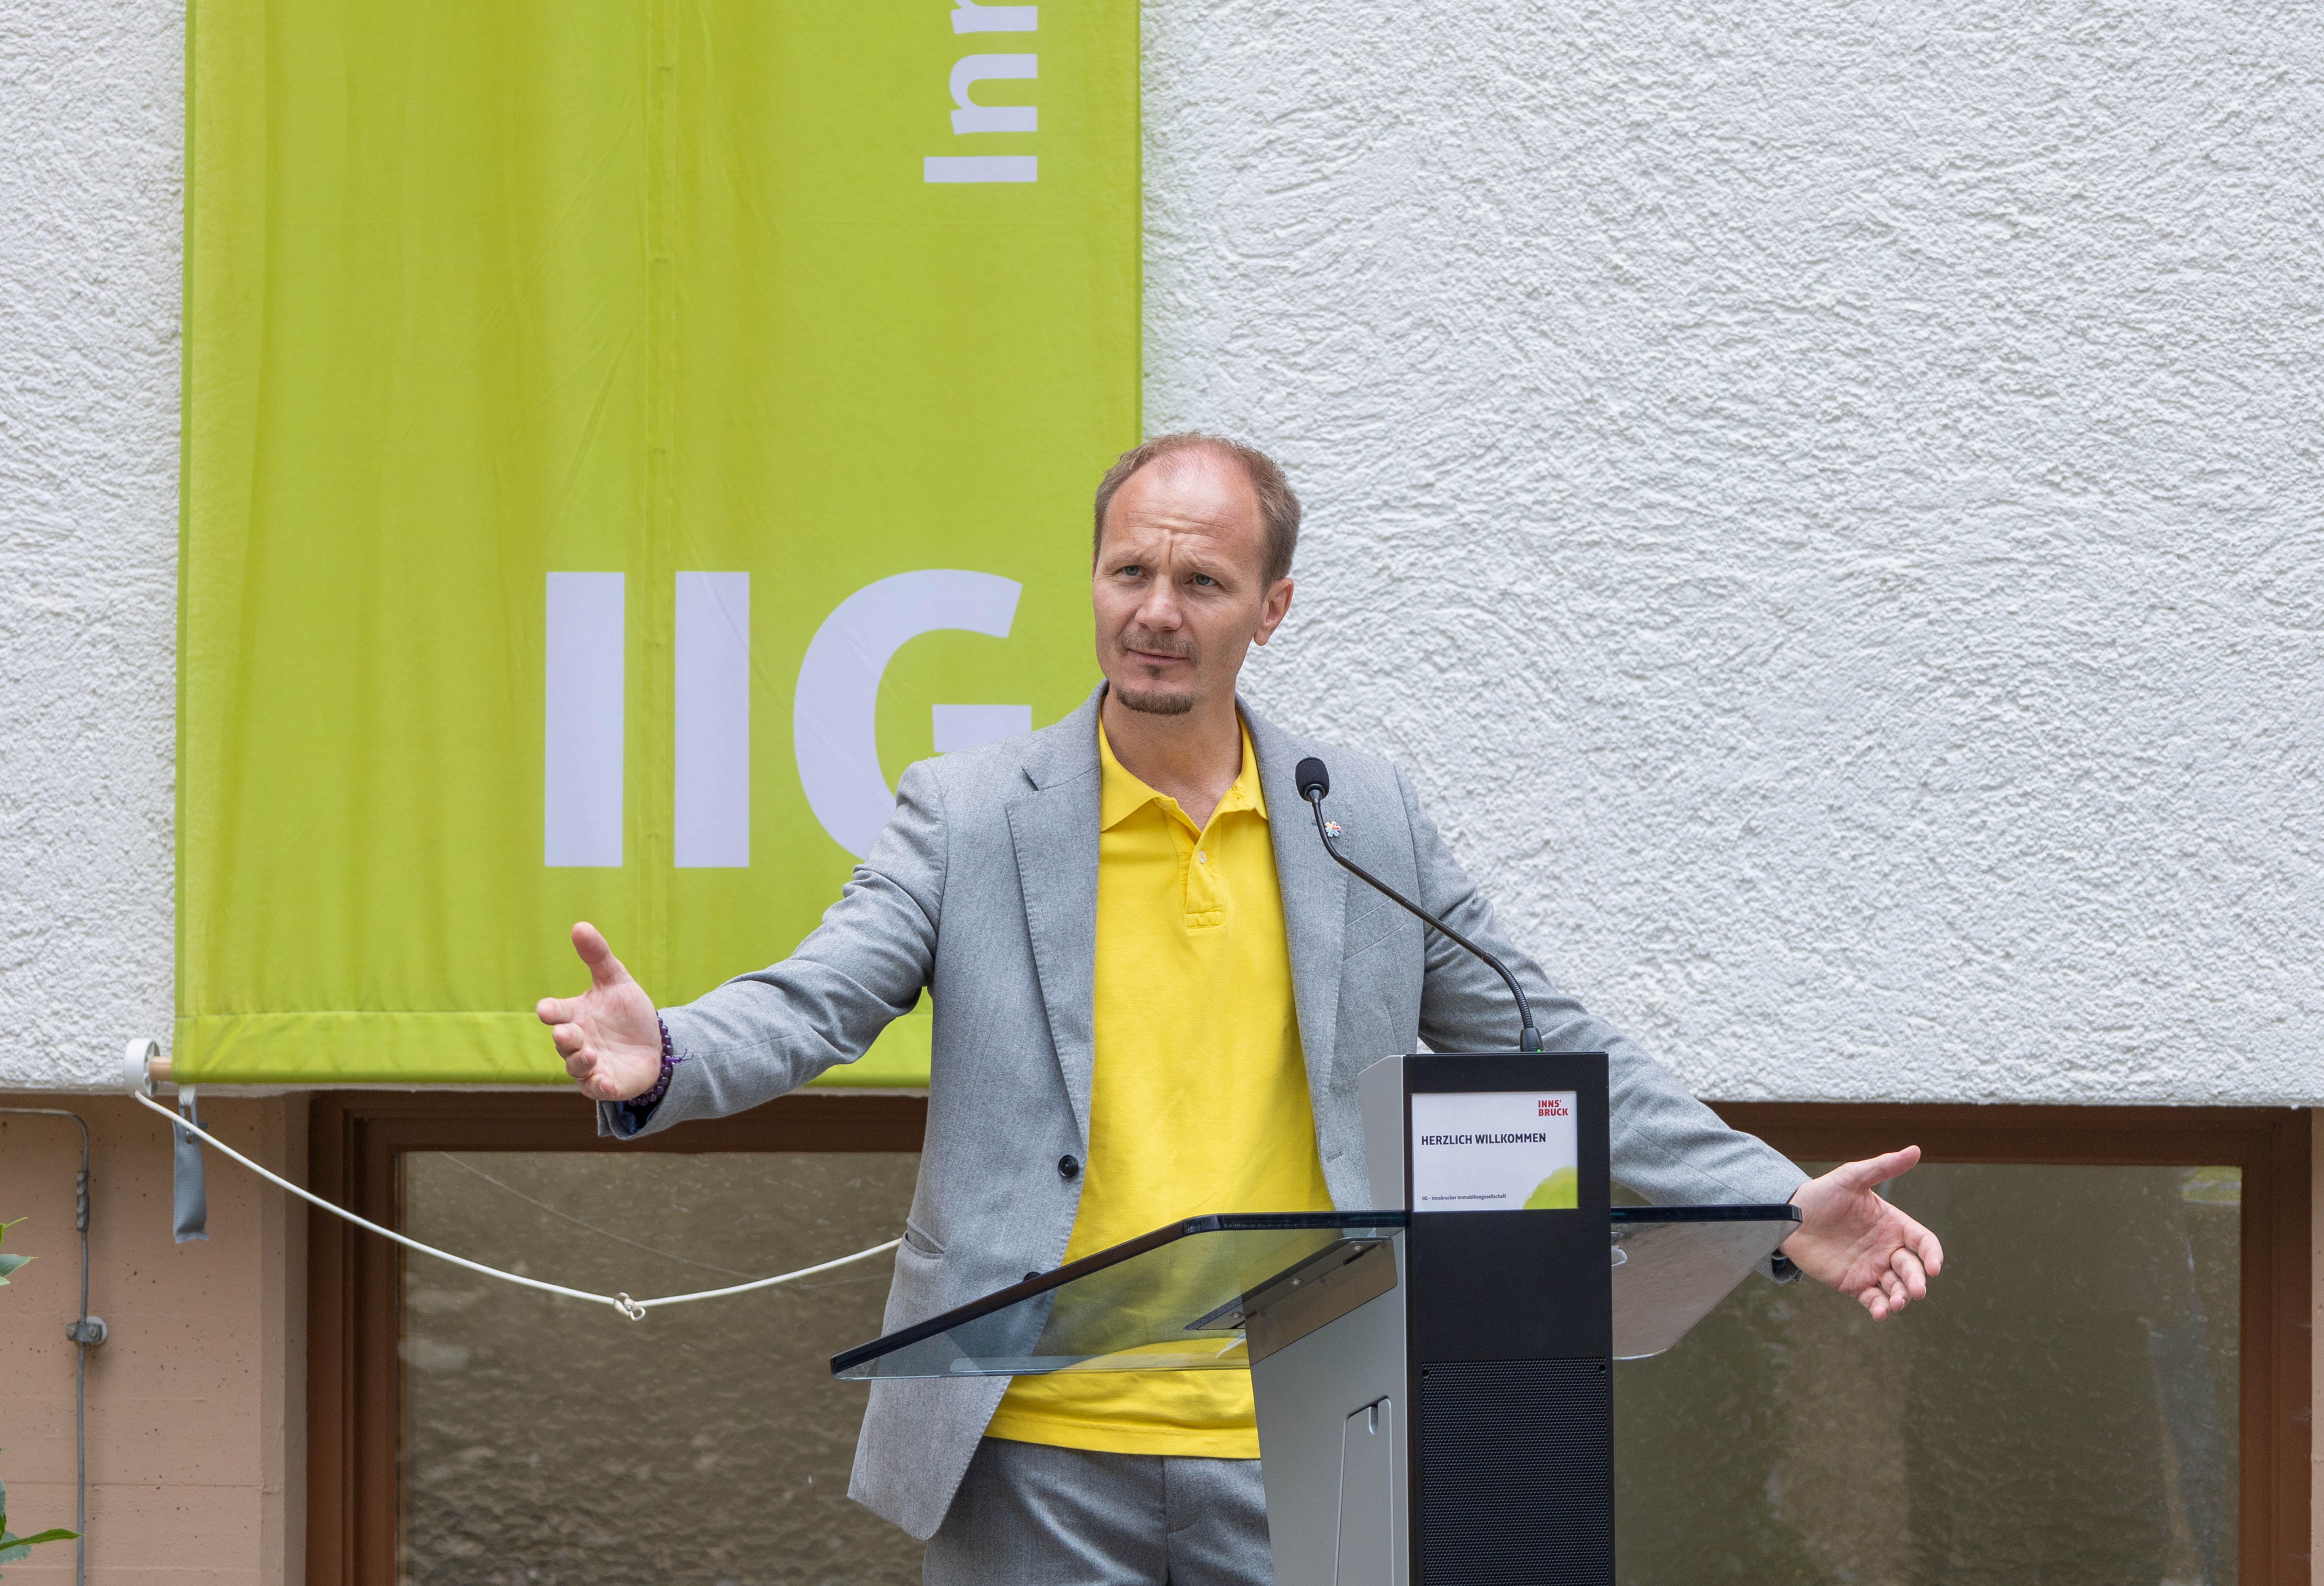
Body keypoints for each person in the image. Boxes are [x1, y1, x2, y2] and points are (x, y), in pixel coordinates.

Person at [537, 433, 1946, 1585]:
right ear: (1091, 581)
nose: (1156, 609)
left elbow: (1539, 1032)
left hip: (1315, 1422)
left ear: (1272, 610)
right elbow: (824, 997)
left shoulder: (1360, 817)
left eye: (1202, 581)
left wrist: (1773, 1203)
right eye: (1130, 570)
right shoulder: (971, 816)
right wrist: (673, 1056)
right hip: (1033, 1439)